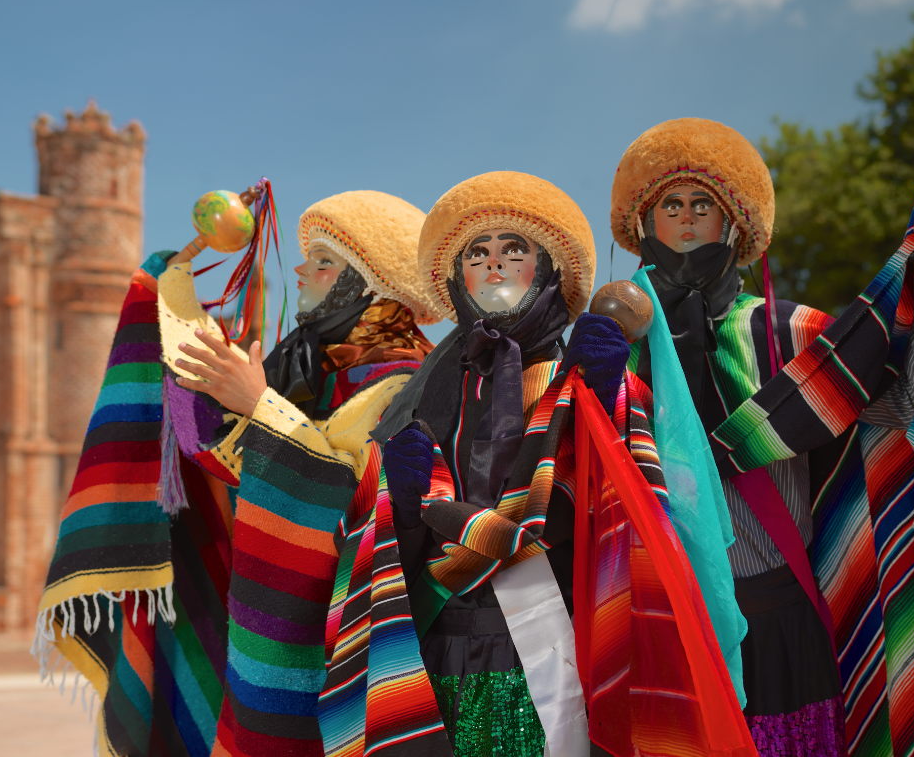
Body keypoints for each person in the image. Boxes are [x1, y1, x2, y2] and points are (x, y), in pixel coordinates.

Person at [572, 118, 914, 754]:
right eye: (671, 204)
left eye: (702, 205)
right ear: (643, 223)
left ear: (733, 224)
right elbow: (581, 481)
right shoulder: (616, 345)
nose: (686, 219)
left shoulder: (795, 333)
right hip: (660, 618)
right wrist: (593, 383)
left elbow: (904, 399)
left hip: (785, 619)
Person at [37, 190, 443, 757]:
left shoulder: (409, 385)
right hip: (269, 628)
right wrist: (175, 282)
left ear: (374, 290)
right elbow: (217, 445)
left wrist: (260, 406)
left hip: (349, 648)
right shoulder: (309, 379)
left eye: (325, 261)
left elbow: (354, 501)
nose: (301, 270)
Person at [362, 170, 608, 756]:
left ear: (548, 270)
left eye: (513, 249)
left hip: (551, 654)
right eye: (478, 253)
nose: (494, 263)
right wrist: (401, 507)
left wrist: (609, 402)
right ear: (459, 279)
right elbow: (382, 544)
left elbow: (626, 513)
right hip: (435, 655)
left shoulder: (577, 379)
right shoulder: (423, 393)